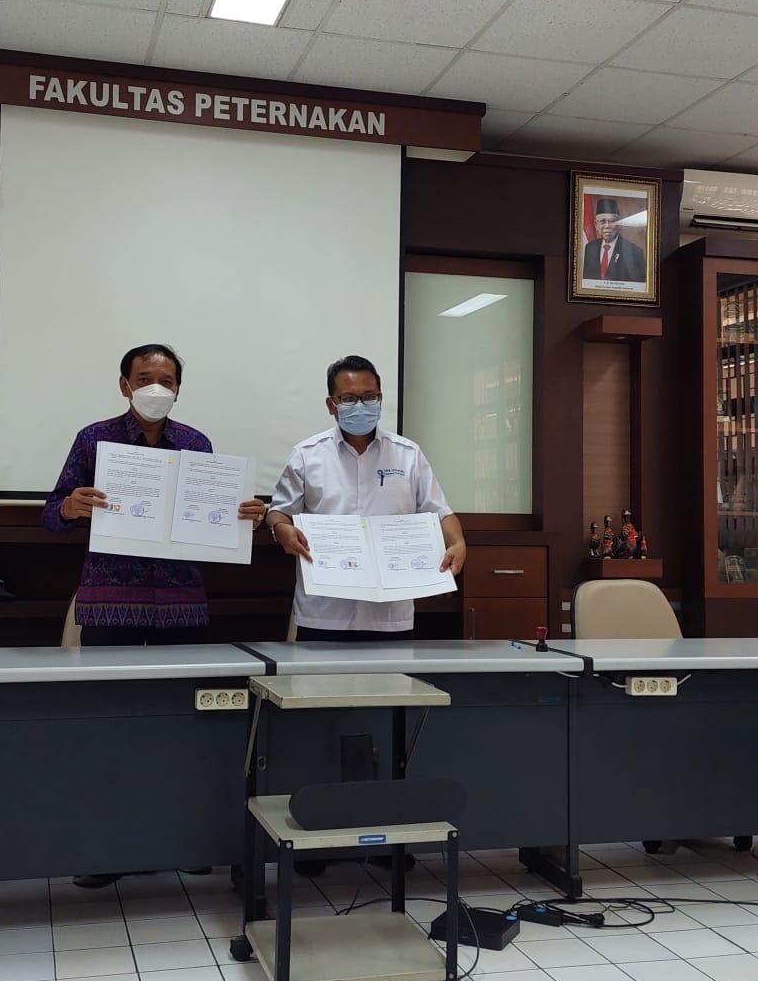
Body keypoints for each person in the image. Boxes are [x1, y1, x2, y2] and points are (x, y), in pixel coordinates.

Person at [43, 342, 267, 888]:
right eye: (145, 378)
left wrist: (246, 519)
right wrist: (71, 507)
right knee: (110, 726)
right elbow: (53, 515)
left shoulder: (196, 443)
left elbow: (213, 522)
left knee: (184, 727)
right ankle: (108, 848)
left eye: (166, 380)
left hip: (180, 605)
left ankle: (183, 839)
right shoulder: (94, 439)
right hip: (109, 604)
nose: (156, 389)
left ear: (178, 388)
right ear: (124, 384)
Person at [267, 355, 466, 641]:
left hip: (390, 614)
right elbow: (279, 511)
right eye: (348, 398)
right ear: (331, 405)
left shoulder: (408, 454)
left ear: (380, 400)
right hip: (324, 612)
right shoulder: (307, 455)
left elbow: (440, 512)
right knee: (316, 687)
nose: (360, 406)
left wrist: (458, 543)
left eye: (369, 397)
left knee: (393, 686)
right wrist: (281, 529)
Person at [582, 198, 645, 283]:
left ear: (619, 224)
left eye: (612, 221)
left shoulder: (634, 252)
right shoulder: (590, 248)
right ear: (596, 225)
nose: (607, 226)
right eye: (602, 221)